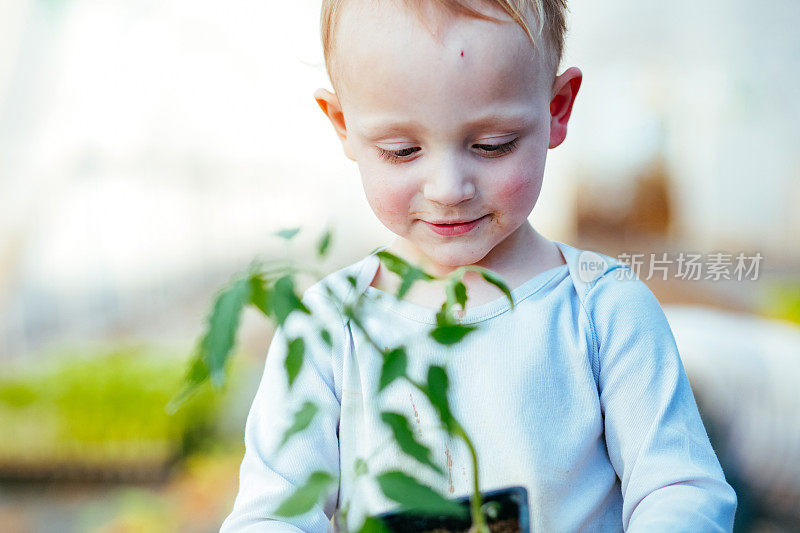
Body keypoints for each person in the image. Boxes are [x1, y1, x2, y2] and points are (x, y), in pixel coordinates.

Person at [221, 0, 737, 531]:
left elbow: (678, 487)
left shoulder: (601, 309)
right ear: (344, 125)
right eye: (402, 150)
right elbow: (271, 513)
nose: (448, 189)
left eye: (493, 145)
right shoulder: (329, 328)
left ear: (557, 109)